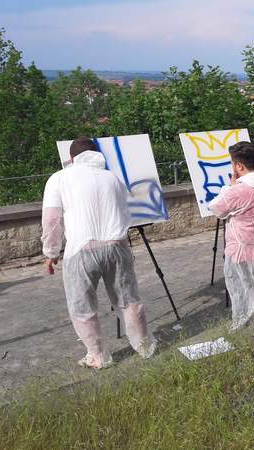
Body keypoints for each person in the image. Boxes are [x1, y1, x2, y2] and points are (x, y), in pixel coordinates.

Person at [42, 138, 156, 369]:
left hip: (81, 250)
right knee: (128, 300)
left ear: (72, 158)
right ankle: (144, 347)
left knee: (82, 306)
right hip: (117, 246)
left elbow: (52, 219)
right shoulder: (112, 177)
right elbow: (125, 211)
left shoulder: (59, 178)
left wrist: (51, 251)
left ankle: (97, 356)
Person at [208, 141, 254, 331]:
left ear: (239, 166)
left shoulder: (238, 191)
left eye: (233, 164)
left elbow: (215, 208)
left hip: (243, 251)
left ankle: (242, 329)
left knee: (241, 291)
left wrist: (229, 187)